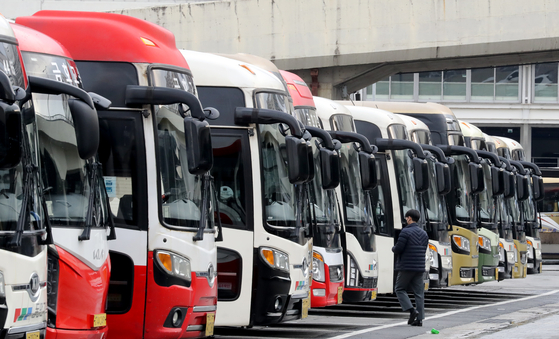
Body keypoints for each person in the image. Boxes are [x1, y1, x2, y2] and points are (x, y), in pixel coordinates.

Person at [392, 209, 429, 327]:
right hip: (419, 267)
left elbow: (398, 249)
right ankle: (419, 320)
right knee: (419, 293)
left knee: (399, 288)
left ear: (409, 218)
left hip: (406, 266)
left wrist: (393, 248)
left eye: (406, 218)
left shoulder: (405, 232)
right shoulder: (424, 233)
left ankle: (412, 310)